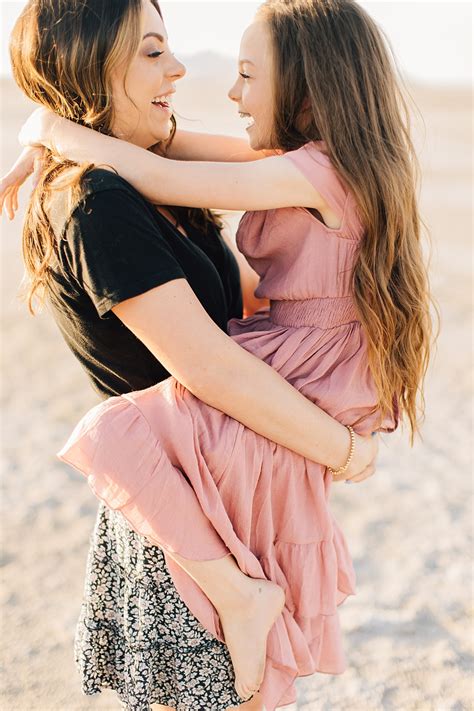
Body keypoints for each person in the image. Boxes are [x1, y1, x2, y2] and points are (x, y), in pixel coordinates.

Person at [0, 1, 387, 710]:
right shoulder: (100, 204)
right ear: (89, 64)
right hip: (185, 528)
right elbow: (210, 365)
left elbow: (252, 244)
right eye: (152, 52)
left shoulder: (142, 182)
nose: (178, 68)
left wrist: (53, 136)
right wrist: (343, 448)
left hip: (224, 484)